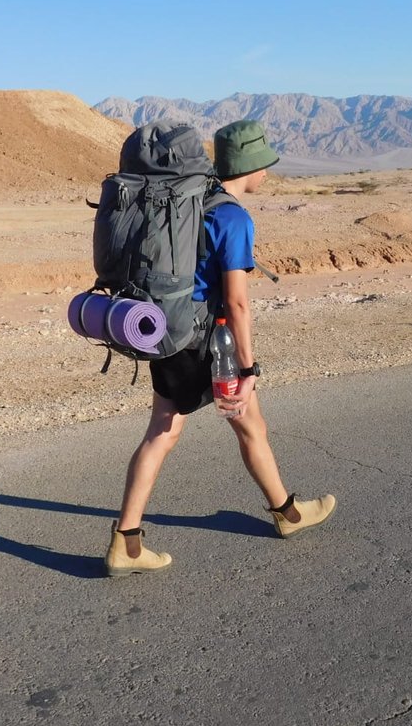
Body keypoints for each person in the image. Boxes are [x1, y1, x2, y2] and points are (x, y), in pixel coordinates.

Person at [104, 119, 337, 576]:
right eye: (264, 163)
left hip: (164, 330)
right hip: (209, 343)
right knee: (249, 424)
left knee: (164, 432)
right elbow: (236, 301)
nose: (267, 171)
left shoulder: (188, 202)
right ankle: (288, 515)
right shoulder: (231, 217)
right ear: (249, 166)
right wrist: (247, 370)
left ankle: (126, 543)